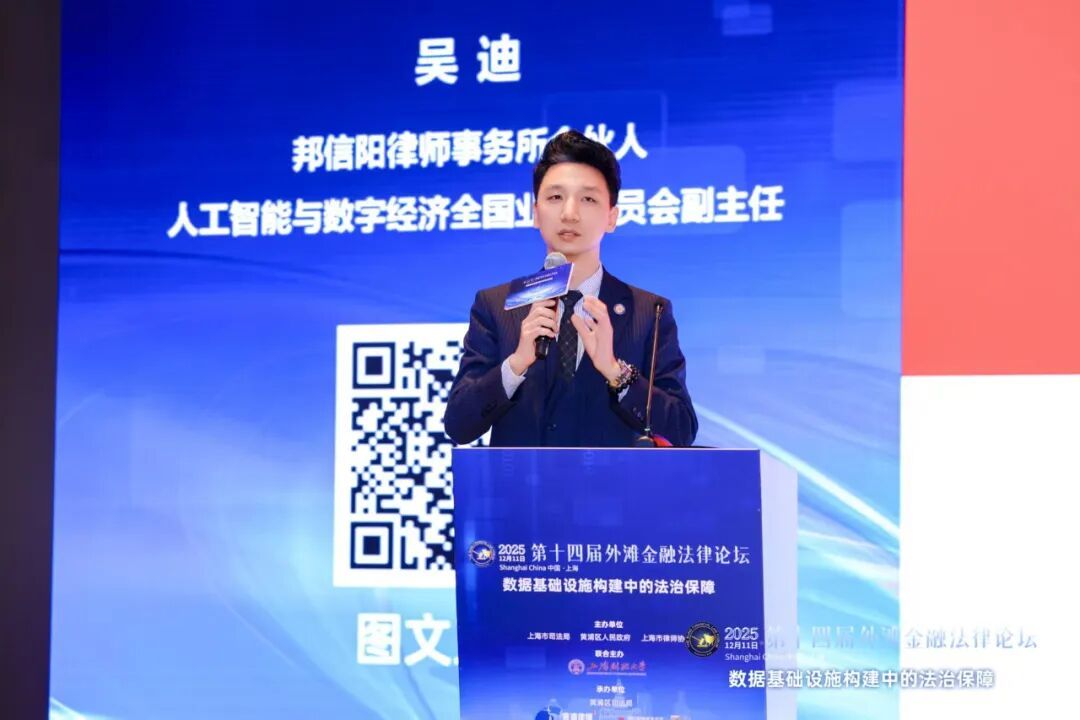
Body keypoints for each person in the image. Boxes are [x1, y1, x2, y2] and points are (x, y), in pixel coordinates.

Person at [443, 130, 697, 447]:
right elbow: (458, 425)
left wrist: (615, 370)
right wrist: (516, 363)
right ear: (535, 213)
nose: (569, 213)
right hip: (522, 481)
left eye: (588, 199)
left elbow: (681, 430)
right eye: (555, 197)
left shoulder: (649, 312)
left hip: (613, 480)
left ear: (612, 217)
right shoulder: (497, 305)